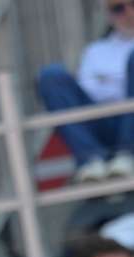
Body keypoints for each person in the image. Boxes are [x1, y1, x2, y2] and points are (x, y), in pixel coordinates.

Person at [37, 0, 134, 182]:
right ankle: (90, 160)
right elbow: (90, 93)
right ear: (109, 14)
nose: (128, 12)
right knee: (50, 76)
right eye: (118, 8)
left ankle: (128, 154)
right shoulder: (95, 51)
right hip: (103, 119)